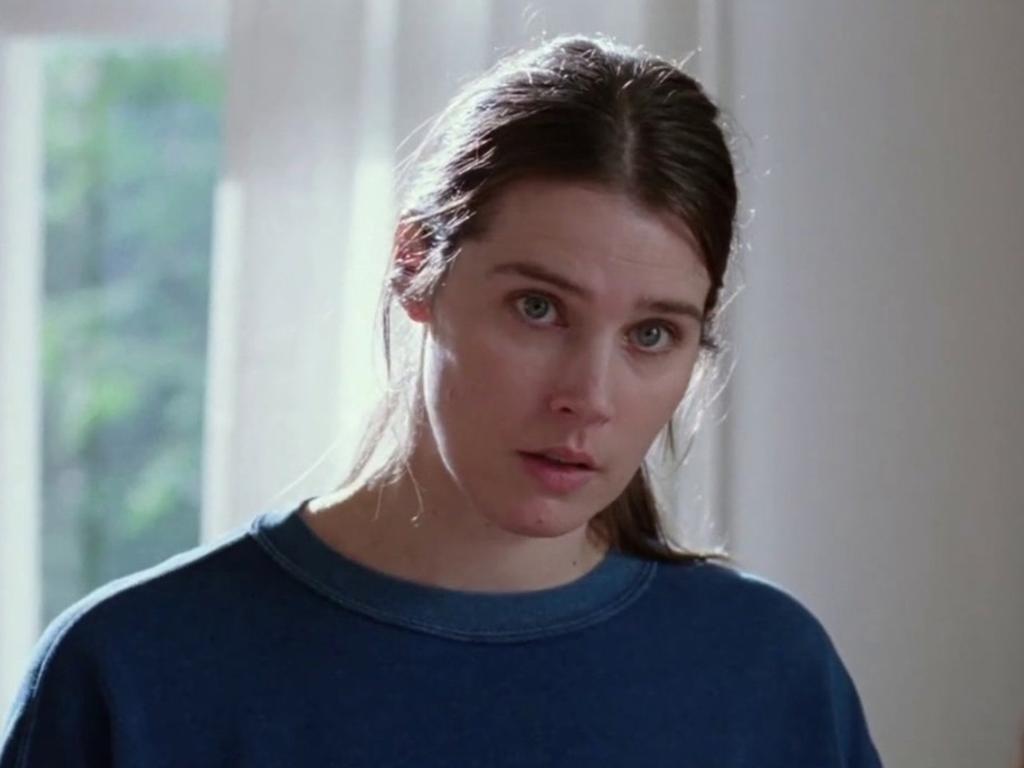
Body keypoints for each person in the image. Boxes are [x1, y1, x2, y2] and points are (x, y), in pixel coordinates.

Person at [0, 35, 884, 766]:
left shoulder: (770, 674)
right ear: (415, 266)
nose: (588, 397)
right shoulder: (131, 674)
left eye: (652, 333)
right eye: (538, 308)